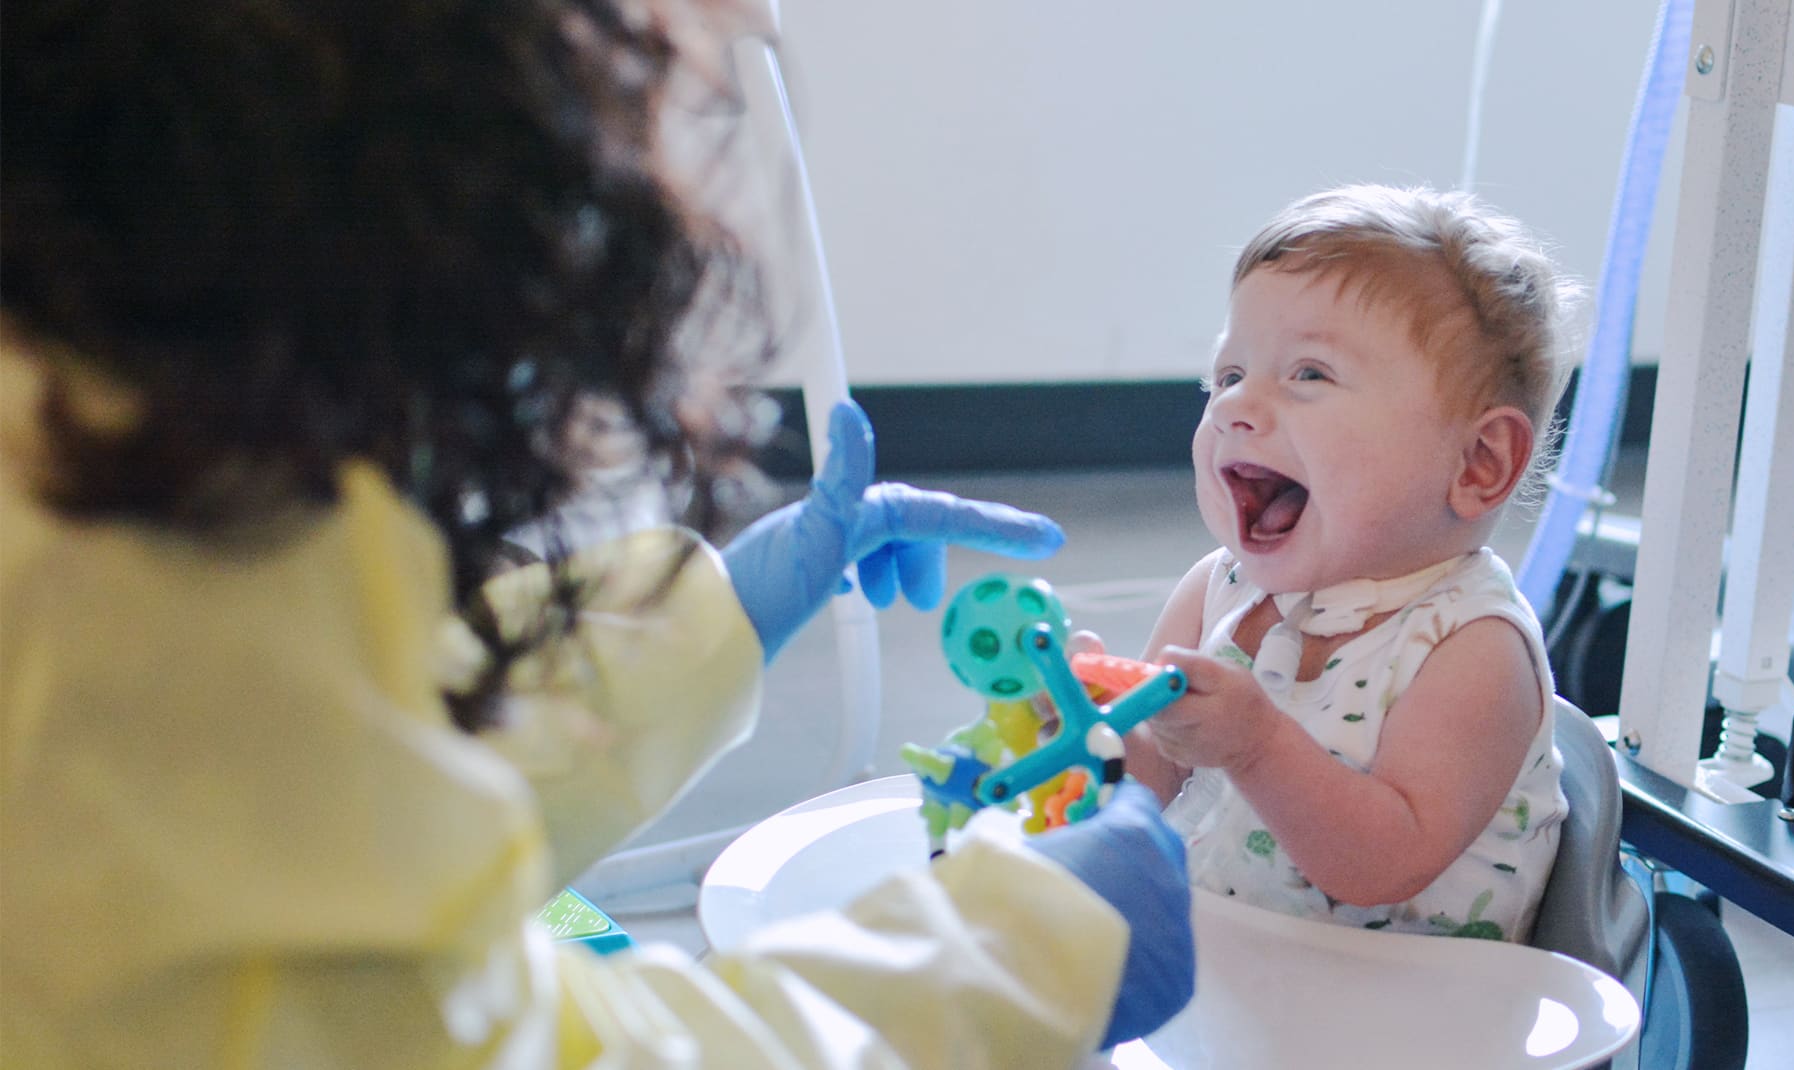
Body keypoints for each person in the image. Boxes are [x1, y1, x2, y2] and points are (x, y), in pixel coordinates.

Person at [0, 2, 1193, 1067]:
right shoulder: (118, 573)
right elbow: (447, 1036)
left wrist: (710, 617)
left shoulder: (115, 409)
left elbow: (300, 774)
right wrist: (1015, 957)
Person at [1121, 185, 1574, 942]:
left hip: (1406, 1016)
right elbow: (1152, 775)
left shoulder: (1471, 649)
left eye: (1309, 375)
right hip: (1229, 972)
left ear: (1477, 463)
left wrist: (1257, 745)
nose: (1235, 406)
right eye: (1229, 375)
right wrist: (1085, 736)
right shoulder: (1218, 590)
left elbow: (1382, 866)